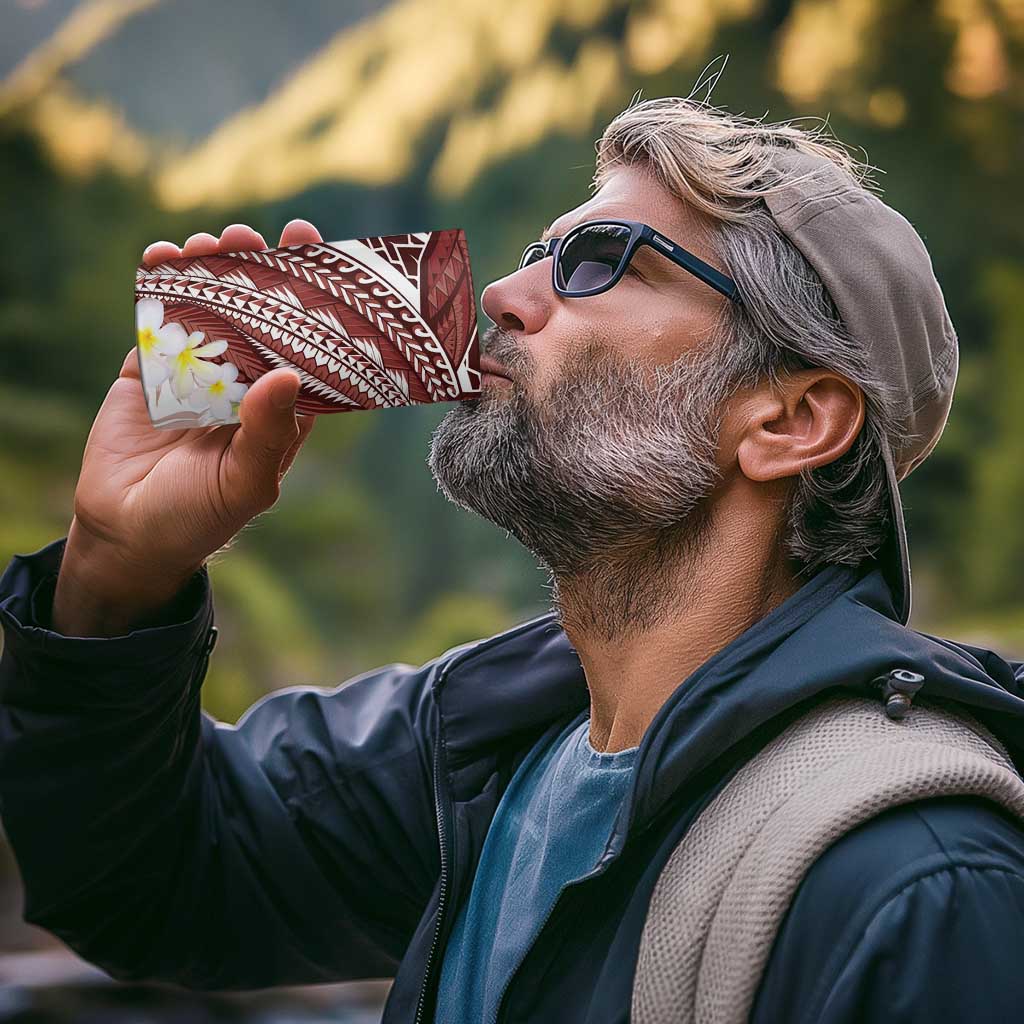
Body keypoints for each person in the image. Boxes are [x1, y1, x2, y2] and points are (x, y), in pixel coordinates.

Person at [2, 95, 1024, 1024]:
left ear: (790, 421)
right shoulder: (483, 746)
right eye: (541, 252)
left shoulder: (919, 886)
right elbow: (150, 880)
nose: (500, 292)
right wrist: (116, 573)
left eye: (601, 261)